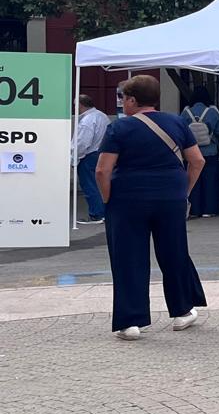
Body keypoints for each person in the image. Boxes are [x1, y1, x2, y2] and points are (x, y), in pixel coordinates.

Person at [95, 75, 208, 340]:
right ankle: (182, 311)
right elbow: (197, 160)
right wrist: (184, 191)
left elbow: (102, 170)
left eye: (123, 98)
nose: (122, 104)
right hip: (170, 198)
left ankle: (131, 322)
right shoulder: (177, 122)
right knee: (174, 252)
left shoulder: (119, 129)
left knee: (128, 258)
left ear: (132, 100)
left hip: (127, 199)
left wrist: (108, 198)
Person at [183, 87, 219, 218]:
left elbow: (181, 130)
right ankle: (209, 209)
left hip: (192, 152)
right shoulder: (213, 111)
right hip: (210, 151)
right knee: (210, 181)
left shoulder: (186, 112)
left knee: (193, 181)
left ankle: (194, 209)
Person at [74, 95, 111, 224]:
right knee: (100, 185)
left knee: (89, 186)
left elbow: (82, 143)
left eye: (75, 105)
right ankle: (104, 212)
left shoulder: (87, 121)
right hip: (101, 153)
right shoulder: (102, 116)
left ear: (80, 105)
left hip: (88, 156)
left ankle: (96, 214)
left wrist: (74, 158)